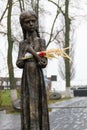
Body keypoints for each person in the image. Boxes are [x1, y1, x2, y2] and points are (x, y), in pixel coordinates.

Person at [16, 10, 50, 130]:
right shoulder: (22, 44)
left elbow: (44, 62)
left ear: (36, 23)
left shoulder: (41, 42)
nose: (30, 24)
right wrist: (24, 59)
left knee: (38, 103)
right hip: (27, 78)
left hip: (38, 77)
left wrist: (39, 59)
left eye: (33, 21)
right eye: (27, 22)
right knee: (28, 102)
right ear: (23, 25)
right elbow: (19, 63)